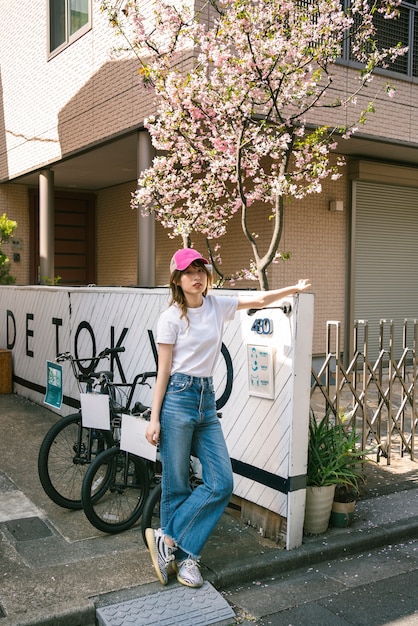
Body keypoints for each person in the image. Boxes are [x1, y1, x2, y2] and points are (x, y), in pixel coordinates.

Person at [145, 248, 311, 588]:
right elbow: (163, 371)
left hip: (206, 399)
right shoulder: (170, 318)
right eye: (189, 271)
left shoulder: (217, 305)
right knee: (176, 482)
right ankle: (186, 559)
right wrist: (154, 416)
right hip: (178, 396)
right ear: (176, 279)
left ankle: (169, 539)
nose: (197, 276)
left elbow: (259, 298)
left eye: (201, 270)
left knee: (222, 482)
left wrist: (292, 289)